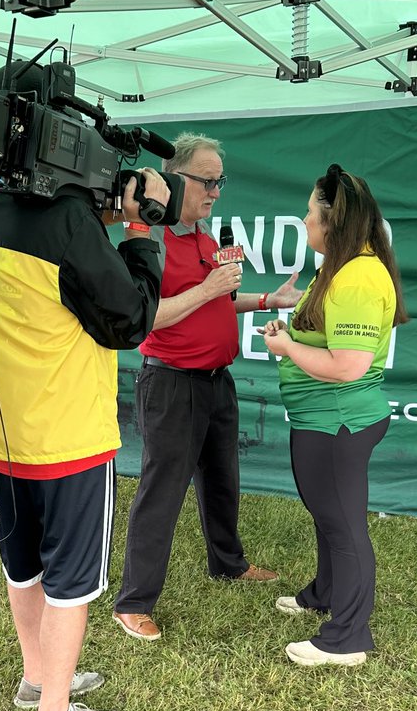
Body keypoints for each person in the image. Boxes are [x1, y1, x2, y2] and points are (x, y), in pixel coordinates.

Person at [0, 60, 167, 711]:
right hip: (66, 431)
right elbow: (127, 320)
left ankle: (37, 679)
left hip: (1, 428)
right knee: (73, 580)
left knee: (24, 563)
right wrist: (136, 232)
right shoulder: (67, 220)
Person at [113, 132, 300, 642]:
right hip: (172, 384)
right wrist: (208, 289)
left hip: (217, 382)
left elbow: (219, 301)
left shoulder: (205, 238)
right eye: (208, 181)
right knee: (162, 492)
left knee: (222, 481)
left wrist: (265, 300)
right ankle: (132, 602)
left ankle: (229, 563)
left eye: (221, 182)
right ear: (175, 178)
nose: (216, 191)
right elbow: (145, 319)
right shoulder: (150, 241)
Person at [262, 163, 408, 666]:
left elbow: (347, 366)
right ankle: (324, 593)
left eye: (309, 214)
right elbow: (323, 338)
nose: (303, 222)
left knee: (343, 525)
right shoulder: (341, 269)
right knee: (328, 516)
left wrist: (285, 348)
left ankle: (347, 636)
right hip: (321, 418)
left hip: (338, 419)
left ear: (332, 221)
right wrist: (292, 334)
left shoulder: (360, 277)